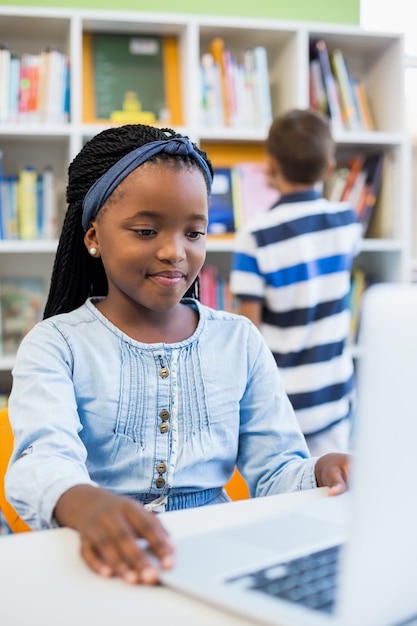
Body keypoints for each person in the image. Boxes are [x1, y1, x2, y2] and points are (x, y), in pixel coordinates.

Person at [6, 123, 349, 586]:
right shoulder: (56, 345)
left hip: (218, 561)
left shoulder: (240, 341)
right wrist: (81, 500)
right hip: (97, 557)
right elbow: (42, 459)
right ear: (93, 237)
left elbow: (276, 470)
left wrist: (320, 471)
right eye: (146, 230)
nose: (175, 252)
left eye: (195, 232)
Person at [230, 109, 362, 457]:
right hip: (333, 399)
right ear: (328, 167)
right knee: (333, 493)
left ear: (270, 165)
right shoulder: (347, 222)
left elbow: (250, 332)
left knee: (280, 499)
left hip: (281, 407)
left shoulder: (255, 236)